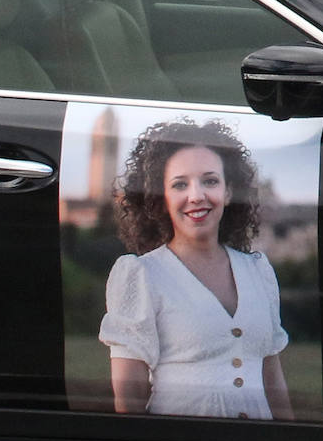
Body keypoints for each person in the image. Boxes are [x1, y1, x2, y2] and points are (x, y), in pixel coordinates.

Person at [99, 118, 294, 421]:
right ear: (161, 199)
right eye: (180, 184)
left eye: (210, 181)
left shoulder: (258, 271)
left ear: (229, 193)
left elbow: (273, 381)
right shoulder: (142, 275)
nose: (196, 196)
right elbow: (129, 400)